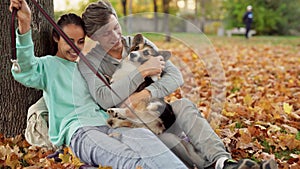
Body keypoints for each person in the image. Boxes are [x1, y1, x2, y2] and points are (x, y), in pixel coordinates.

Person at [79, 1, 278, 169]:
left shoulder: (138, 43)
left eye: (116, 27)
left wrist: (145, 93)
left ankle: (223, 162)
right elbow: (105, 98)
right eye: (106, 34)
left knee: (183, 106)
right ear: (93, 37)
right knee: (169, 142)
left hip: (159, 109)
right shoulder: (90, 62)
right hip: (135, 125)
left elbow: (175, 76)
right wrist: (142, 72)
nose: (115, 37)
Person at [9, 0, 188, 168]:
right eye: (69, 41)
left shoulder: (87, 67)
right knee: (129, 160)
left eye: (80, 42)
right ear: (56, 37)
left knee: (152, 145)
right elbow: (25, 69)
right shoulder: (48, 66)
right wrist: (25, 24)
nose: (75, 47)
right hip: (81, 131)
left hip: (112, 123)